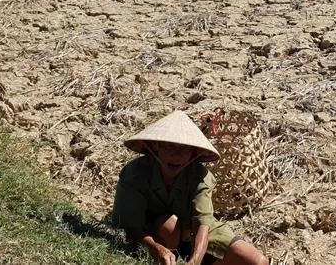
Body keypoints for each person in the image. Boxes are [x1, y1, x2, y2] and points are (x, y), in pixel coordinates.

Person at [111, 110, 269, 265]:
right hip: (158, 233)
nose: (176, 155)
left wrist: (194, 261)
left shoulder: (201, 176)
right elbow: (132, 229)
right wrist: (158, 248)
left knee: (258, 261)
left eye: (184, 150)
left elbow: (203, 224)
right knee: (169, 226)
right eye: (170, 147)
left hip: (194, 232)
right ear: (156, 146)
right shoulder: (134, 173)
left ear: (193, 154)